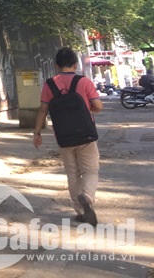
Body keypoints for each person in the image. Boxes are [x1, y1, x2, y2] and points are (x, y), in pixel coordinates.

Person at [33, 47, 103, 226]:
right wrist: (89, 108)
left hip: (64, 137)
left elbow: (43, 110)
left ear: (56, 65)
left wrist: (37, 133)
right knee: (90, 170)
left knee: (72, 173)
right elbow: (98, 106)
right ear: (75, 64)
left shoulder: (49, 84)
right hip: (86, 135)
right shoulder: (84, 82)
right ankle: (87, 196)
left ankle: (80, 211)